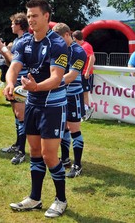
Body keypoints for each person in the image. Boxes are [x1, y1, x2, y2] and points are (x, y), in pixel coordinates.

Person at [4, 0, 68, 218]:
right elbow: (13, 67)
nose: (30, 20)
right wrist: (10, 83)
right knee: (34, 152)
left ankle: (61, 200)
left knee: (50, 155)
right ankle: (35, 197)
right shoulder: (24, 42)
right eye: (28, 16)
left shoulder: (58, 44)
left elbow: (57, 78)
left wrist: (36, 86)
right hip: (32, 103)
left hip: (53, 105)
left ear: (46, 17)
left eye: (35, 16)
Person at [0, 12, 30, 165]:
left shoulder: (26, 40)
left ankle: (21, 152)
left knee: (21, 116)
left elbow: (15, 60)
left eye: (13, 23)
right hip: (15, 82)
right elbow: (11, 64)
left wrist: (4, 50)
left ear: (20, 24)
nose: (11, 26)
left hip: (23, 83)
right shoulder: (17, 40)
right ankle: (17, 145)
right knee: (17, 115)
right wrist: (3, 50)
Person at [53, 23, 87, 178]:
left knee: (74, 129)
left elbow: (72, 76)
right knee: (63, 127)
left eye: (59, 38)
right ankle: (65, 159)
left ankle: (77, 165)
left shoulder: (79, 51)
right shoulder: (60, 49)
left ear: (67, 34)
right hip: (61, 94)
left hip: (73, 96)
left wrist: (51, 84)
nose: (57, 42)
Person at [72, 30, 95, 121]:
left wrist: (87, 71)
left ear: (75, 38)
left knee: (84, 93)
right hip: (81, 73)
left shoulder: (86, 46)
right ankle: (84, 111)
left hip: (85, 73)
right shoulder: (81, 46)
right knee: (81, 93)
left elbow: (92, 58)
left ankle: (87, 110)